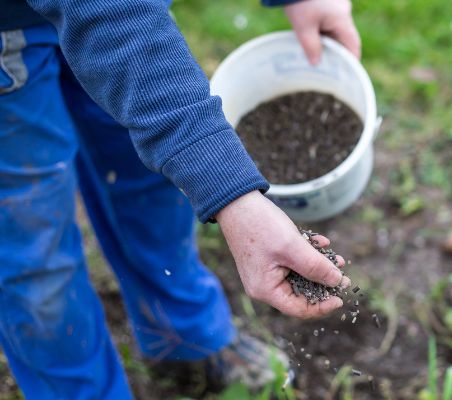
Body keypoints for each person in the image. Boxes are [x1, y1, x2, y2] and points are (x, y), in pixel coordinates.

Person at [0, 0, 361, 397]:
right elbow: (109, 17)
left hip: (133, 13)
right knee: (33, 247)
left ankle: (185, 335)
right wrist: (233, 195)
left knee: (151, 174)